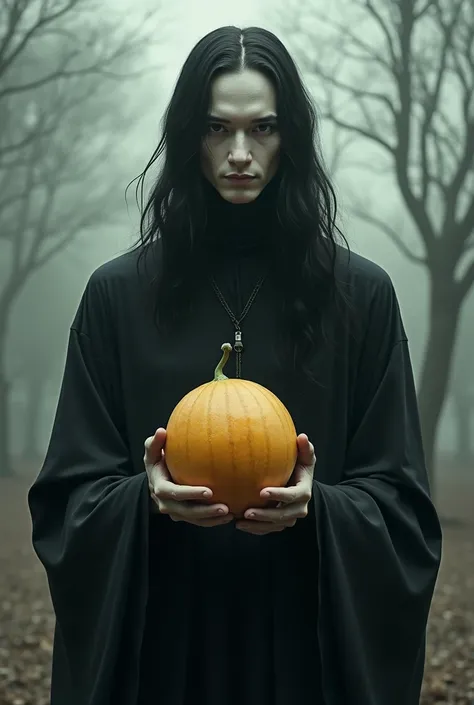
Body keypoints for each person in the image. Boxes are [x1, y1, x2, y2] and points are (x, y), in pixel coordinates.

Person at [28, 25, 442, 705]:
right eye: (218, 128)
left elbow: (403, 509)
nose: (241, 154)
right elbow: (67, 500)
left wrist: (322, 508)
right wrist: (145, 496)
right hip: (163, 655)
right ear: (190, 134)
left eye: (264, 128)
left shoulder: (361, 297)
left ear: (294, 138)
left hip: (304, 659)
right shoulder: (117, 296)